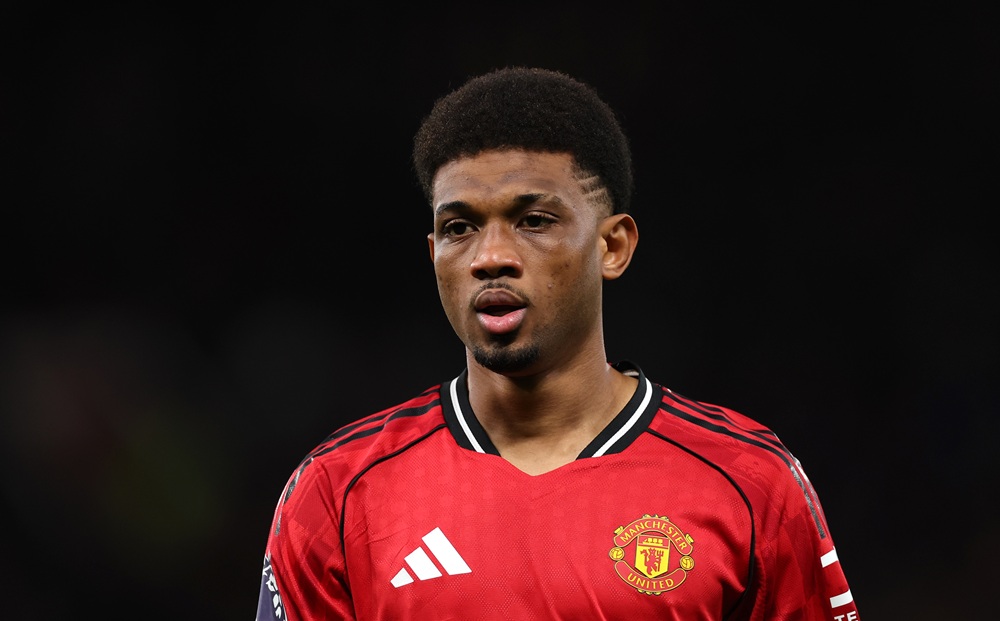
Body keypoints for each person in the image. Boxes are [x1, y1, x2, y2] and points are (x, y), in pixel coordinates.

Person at [255, 66, 861, 621]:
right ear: (433, 254)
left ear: (613, 247)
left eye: (534, 220)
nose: (490, 258)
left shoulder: (749, 482)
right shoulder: (337, 493)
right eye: (458, 228)